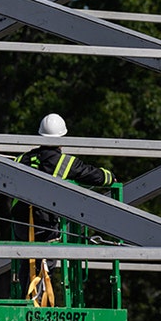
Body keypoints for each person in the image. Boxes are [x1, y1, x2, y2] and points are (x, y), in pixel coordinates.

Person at [9, 113, 114, 304]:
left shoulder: (22, 158)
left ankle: (22, 298)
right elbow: (94, 175)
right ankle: (36, 303)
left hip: (20, 223)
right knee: (44, 262)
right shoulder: (65, 162)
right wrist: (111, 177)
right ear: (62, 139)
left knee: (25, 259)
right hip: (44, 223)